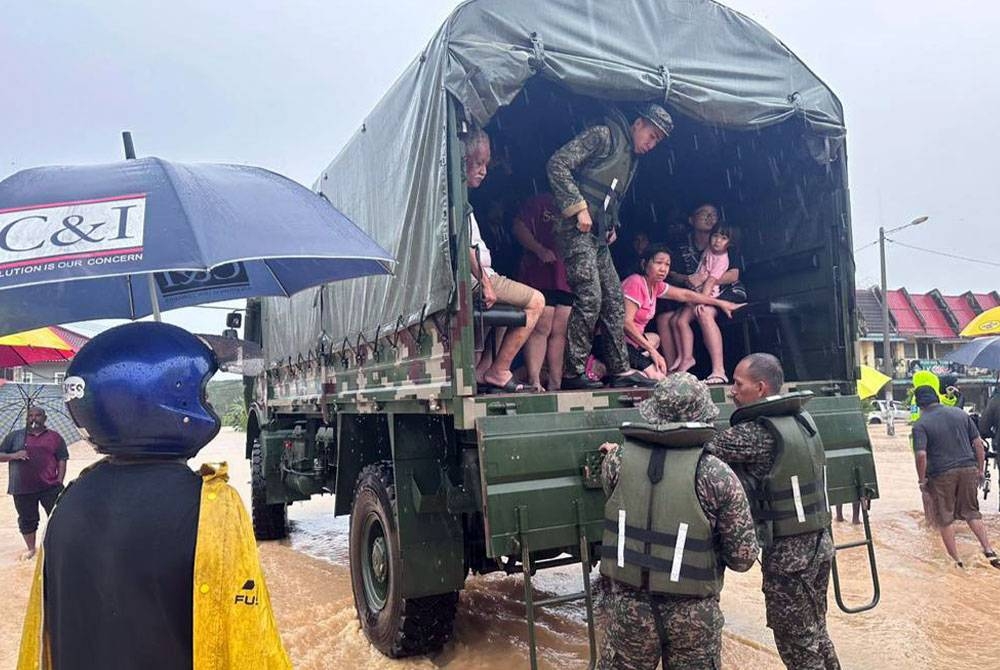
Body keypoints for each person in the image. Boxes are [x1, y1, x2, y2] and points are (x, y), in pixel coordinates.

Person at [18, 322, 291, 670]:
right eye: (201, 393)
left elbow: (39, 642)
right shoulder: (211, 507)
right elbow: (249, 641)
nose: (207, 402)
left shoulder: (66, 503)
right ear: (166, 399)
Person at [596, 373, 759, 669]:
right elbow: (743, 558)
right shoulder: (717, 474)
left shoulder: (616, 461)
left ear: (654, 413)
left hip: (629, 611)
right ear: (703, 416)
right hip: (693, 617)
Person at [706, 353, 841, 670]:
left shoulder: (756, 433)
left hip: (789, 558)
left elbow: (700, 447)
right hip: (820, 544)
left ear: (761, 388)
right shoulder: (802, 421)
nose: (732, 391)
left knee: (797, 644)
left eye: (738, 384)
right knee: (816, 632)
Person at [546, 103, 673, 390]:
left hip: (598, 237)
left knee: (614, 300)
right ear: (638, 124)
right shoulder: (604, 136)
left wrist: (611, 225)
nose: (651, 144)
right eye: (651, 136)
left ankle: (619, 370)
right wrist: (578, 208)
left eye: (657, 141)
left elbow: (610, 198)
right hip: (575, 230)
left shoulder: (631, 158)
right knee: (590, 297)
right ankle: (573, 372)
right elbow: (557, 164)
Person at [466, 129, 546, 393]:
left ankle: (485, 369)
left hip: (482, 274)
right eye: (478, 163)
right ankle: (500, 369)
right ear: (463, 160)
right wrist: (486, 283)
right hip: (478, 276)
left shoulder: (459, 198)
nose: (483, 171)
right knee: (537, 301)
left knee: (510, 307)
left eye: (486, 165)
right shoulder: (455, 201)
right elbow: (465, 248)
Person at [615, 245, 742, 382]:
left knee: (655, 339)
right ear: (644, 264)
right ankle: (615, 369)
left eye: (667, 264)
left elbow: (685, 295)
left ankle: (629, 370)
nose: (663, 269)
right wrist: (653, 351)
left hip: (631, 344)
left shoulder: (656, 286)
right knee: (658, 378)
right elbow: (626, 323)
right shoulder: (635, 282)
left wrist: (720, 303)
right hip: (617, 344)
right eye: (658, 263)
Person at [911, 384, 1000, 569]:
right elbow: (978, 444)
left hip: (941, 474)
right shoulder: (960, 414)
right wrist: (980, 470)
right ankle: (989, 550)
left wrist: (921, 480)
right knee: (972, 512)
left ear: (919, 403)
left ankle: (956, 561)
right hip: (969, 469)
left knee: (945, 518)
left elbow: (921, 455)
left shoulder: (920, 424)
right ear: (937, 397)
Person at [656, 203, 747, 383]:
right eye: (704, 213)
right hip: (694, 292)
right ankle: (673, 373)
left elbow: (733, 275)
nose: (710, 217)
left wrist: (704, 282)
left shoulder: (726, 244)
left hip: (725, 291)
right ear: (691, 220)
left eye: (714, 214)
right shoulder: (682, 244)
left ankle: (718, 370)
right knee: (666, 318)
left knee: (703, 312)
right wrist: (688, 279)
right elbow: (672, 273)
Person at [512, 193, 573, 391]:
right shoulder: (541, 201)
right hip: (540, 271)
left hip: (566, 276)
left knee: (560, 331)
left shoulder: (580, 205)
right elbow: (518, 226)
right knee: (541, 327)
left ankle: (556, 382)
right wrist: (539, 250)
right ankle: (535, 381)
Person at [0, 406, 68, 560]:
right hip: (22, 487)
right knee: (27, 520)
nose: (34, 418)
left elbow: (62, 458)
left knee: (57, 517)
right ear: (26, 418)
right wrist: (14, 455)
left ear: (45, 418)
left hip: (50, 486)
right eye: (30, 416)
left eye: (38, 415)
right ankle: (31, 549)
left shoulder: (55, 437)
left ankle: (57, 546)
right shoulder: (15, 437)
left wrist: (59, 480)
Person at [670, 224, 738, 376]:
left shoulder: (722, 259)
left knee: (684, 320)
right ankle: (683, 356)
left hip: (707, 295)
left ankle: (692, 359)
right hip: (697, 292)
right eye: (715, 236)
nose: (718, 241)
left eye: (723, 238)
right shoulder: (709, 250)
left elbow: (710, 281)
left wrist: (702, 300)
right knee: (677, 321)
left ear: (730, 243)